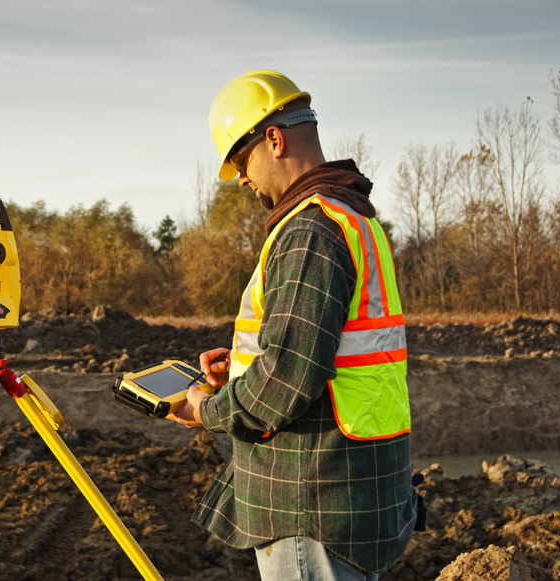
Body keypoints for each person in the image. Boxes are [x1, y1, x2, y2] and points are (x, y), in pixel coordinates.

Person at [166, 70, 418, 580]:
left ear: (274, 139)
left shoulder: (309, 229)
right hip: (348, 487)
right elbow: (316, 348)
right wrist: (240, 368)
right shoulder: (353, 217)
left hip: (313, 502)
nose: (241, 178)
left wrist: (206, 409)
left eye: (240, 160)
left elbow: (286, 376)